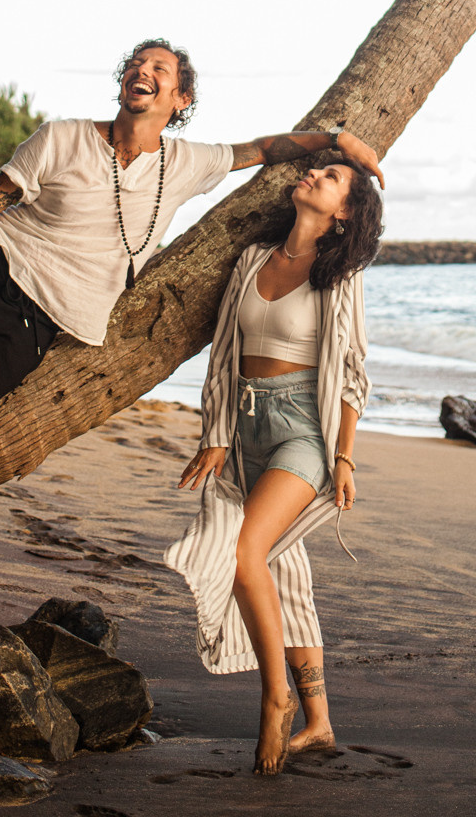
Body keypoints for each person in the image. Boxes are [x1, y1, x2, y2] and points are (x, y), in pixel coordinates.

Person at [0, 38, 382, 631]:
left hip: (33, 317)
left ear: (180, 97)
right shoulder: (62, 136)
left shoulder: (188, 164)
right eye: (136, 63)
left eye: (160, 69)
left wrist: (336, 141)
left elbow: (262, 148)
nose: (142, 71)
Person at [166, 151, 384, 775]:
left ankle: (275, 698)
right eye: (315, 169)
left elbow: (351, 374)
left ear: (344, 213)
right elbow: (223, 355)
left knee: (245, 555)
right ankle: (319, 723)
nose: (314, 175)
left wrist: (343, 456)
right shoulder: (251, 261)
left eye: (332, 177)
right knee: (283, 572)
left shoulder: (339, 275)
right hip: (245, 433)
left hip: (301, 435)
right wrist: (216, 434)